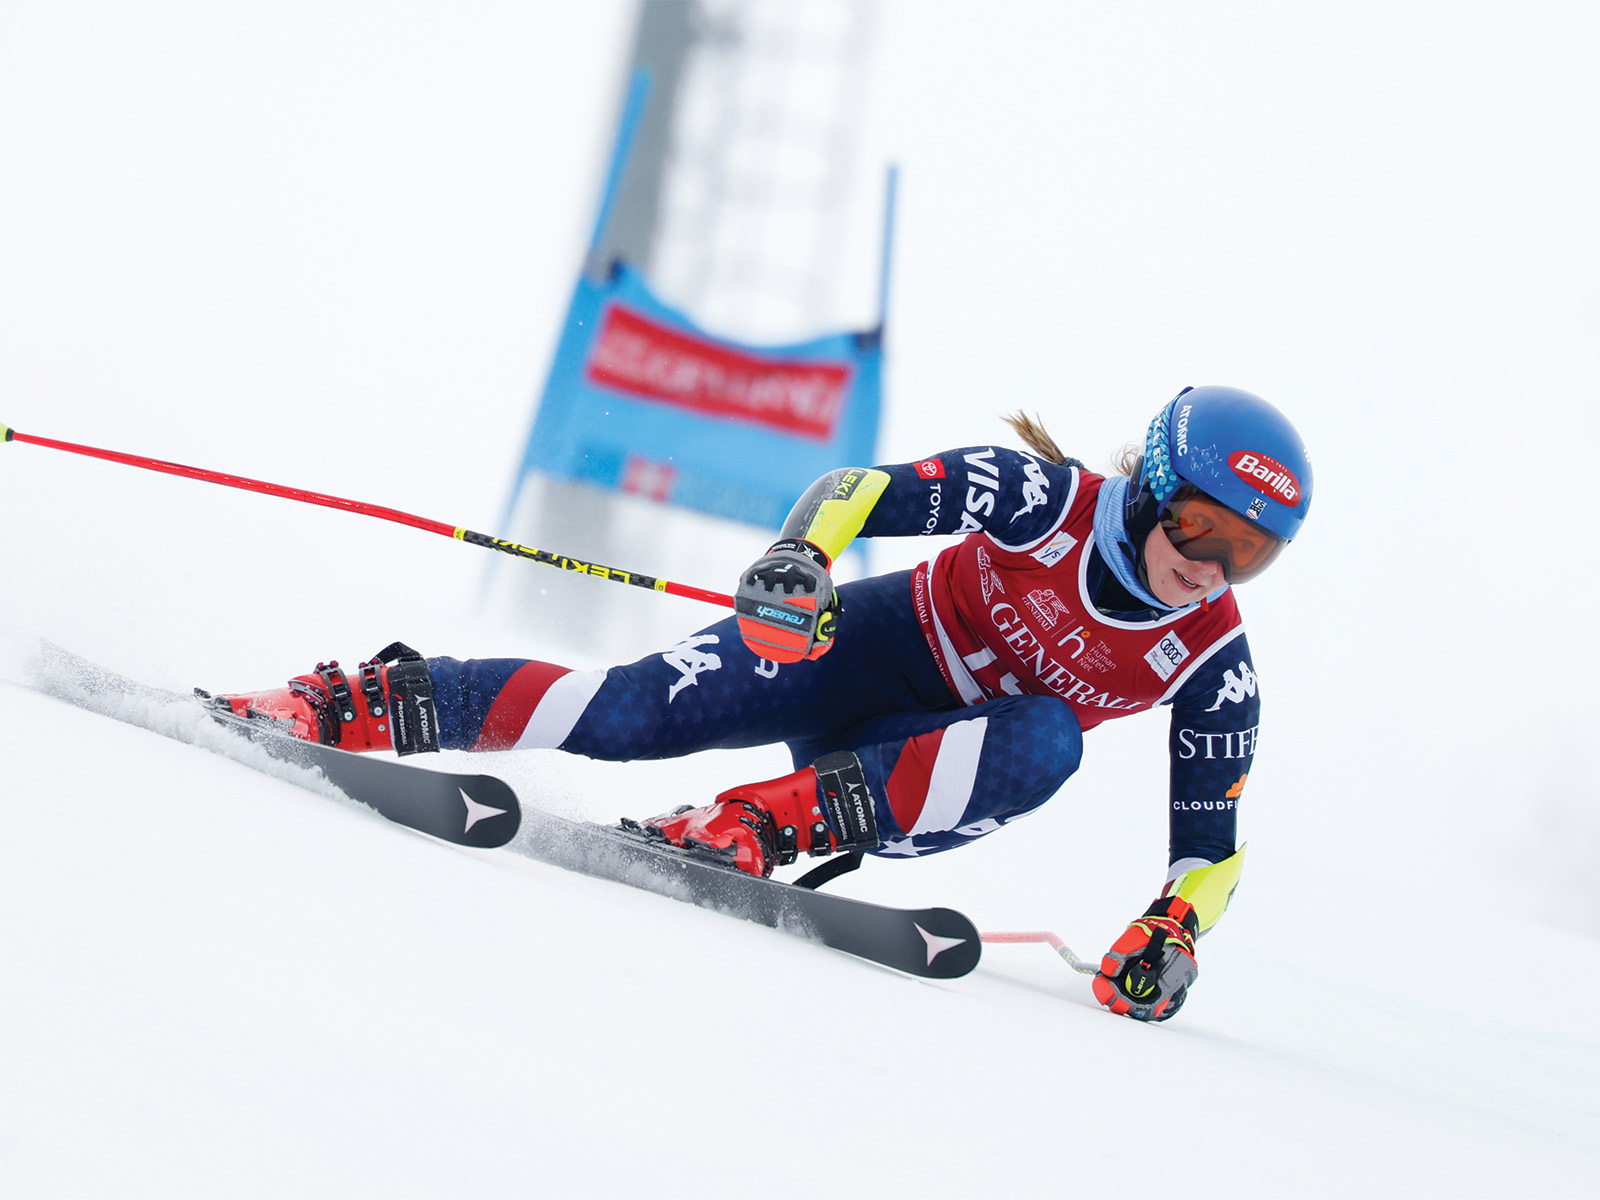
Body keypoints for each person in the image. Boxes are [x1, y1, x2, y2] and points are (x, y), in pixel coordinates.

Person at [218, 385, 1313, 1022]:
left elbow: (1208, 854)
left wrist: (1171, 934)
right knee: (625, 715)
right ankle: (351, 703)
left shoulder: (1211, 659)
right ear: (1156, 488)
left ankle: (754, 825)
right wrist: (802, 560)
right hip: (857, 652)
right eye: (1204, 528)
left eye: (1251, 554)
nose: (1214, 567)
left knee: (1048, 738)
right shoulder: (1051, 502)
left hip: (909, 778)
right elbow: (863, 490)